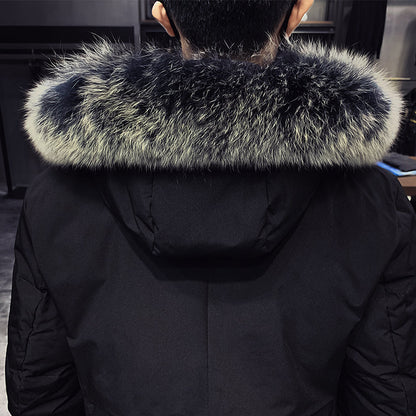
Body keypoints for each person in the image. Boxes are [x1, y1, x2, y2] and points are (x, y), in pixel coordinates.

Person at [5, 0, 416, 415]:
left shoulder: (57, 200)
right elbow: (388, 393)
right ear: (297, 12)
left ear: (163, 15)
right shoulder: (373, 203)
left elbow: (40, 389)